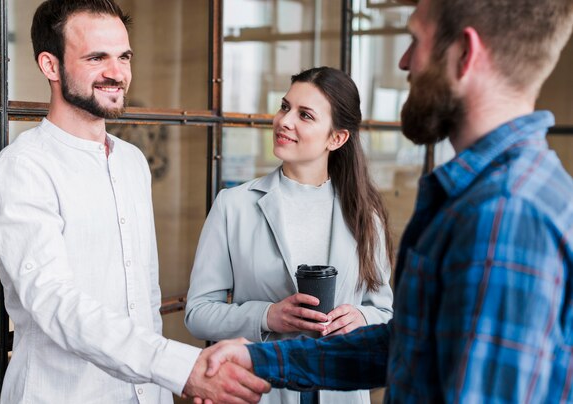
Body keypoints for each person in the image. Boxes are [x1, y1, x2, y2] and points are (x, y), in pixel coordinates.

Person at [203, 0, 573, 402]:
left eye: (415, 40)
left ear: (465, 54)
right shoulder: (489, 195)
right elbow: (403, 347)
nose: (403, 61)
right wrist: (258, 360)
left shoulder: (505, 213)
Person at [0, 1, 269, 403]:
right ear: (50, 66)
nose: (117, 73)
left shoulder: (133, 161)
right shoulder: (20, 169)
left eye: (123, 57)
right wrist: (180, 368)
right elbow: (56, 304)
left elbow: (146, 298)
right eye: (97, 58)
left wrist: (165, 385)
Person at [185, 66, 394, 404]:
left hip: (341, 391)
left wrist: (362, 317)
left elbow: (384, 311)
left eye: (305, 115)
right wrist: (267, 315)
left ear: (336, 138)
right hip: (260, 391)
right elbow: (197, 313)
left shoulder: (364, 216)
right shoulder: (233, 206)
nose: (284, 121)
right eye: (285, 107)